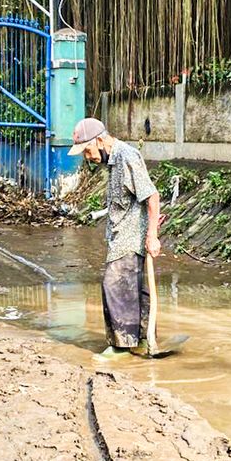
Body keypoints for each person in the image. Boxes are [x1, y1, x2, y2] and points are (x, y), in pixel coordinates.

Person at [68, 117, 161, 359]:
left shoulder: (127, 157)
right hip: (121, 236)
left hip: (131, 238)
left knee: (114, 285)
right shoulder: (113, 161)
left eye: (87, 150)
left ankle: (122, 347)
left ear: (99, 140)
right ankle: (141, 340)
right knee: (132, 290)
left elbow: (152, 197)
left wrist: (152, 236)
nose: (87, 157)